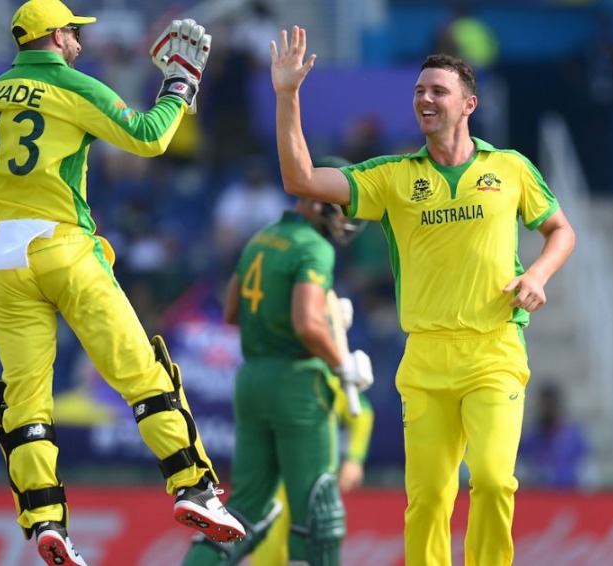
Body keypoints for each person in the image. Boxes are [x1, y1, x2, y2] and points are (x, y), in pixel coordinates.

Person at [0, 2, 245, 564]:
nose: (79, 41)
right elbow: (149, 138)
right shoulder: (73, 86)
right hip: (64, 248)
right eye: (74, 32)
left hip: (4, 264)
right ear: (57, 35)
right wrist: (180, 84)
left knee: (25, 401)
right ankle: (194, 488)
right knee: (140, 371)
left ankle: (45, 521)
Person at [270, 27, 576, 566]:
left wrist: (538, 275)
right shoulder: (392, 177)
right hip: (426, 357)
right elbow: (301, 179)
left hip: (494, 352)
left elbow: (561, 231)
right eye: (419, 91)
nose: (425, 99)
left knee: (493, 480)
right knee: (430, 498)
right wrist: (288, 95)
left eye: (438, 91)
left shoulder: (509, 167)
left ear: (469, 105)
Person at [180, 162, 373, 566]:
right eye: (341, 204)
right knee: (318, 514)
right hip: (297, 384)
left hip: (252, 380)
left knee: (243, 511)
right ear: (318, 201)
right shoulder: (313, 247)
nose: (346, 215)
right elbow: (307, 325)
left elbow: (232, 312)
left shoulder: (262, 238)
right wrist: (342, 361)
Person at [248, 365, 376, 566]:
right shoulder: (270, 372)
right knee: (268, 554)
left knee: (315, 552)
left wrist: (354, 459)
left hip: (315, 483)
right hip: (274, 482)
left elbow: (362, 414)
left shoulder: (327, 375)